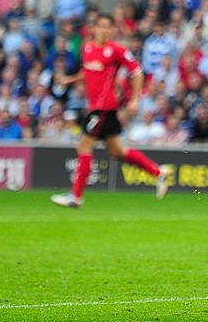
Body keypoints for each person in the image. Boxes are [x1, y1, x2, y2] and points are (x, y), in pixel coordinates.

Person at [51, 14, 172, 208]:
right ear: (95, 28)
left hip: (103, 108)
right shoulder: (88, 48)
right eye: (102, 26)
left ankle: (76, 196)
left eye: (109, 27)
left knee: (83, 147)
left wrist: (135, 99)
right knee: (117, 151)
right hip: (99, 108)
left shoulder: (116, 50)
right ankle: (158, 172)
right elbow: (89, 71)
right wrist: (70, 79)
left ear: (112, 30)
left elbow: (137, 71)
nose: (105, 30)